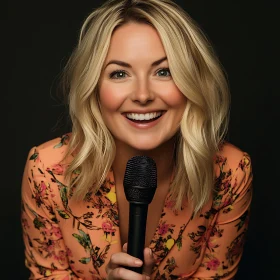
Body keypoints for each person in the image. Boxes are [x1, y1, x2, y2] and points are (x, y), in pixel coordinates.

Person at [20, 0, 253, 279]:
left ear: (193, 81)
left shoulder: (230, 173)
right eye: (119, 73)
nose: (142, 95)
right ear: (93, 87)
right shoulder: (47, 172)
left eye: (163, 71)